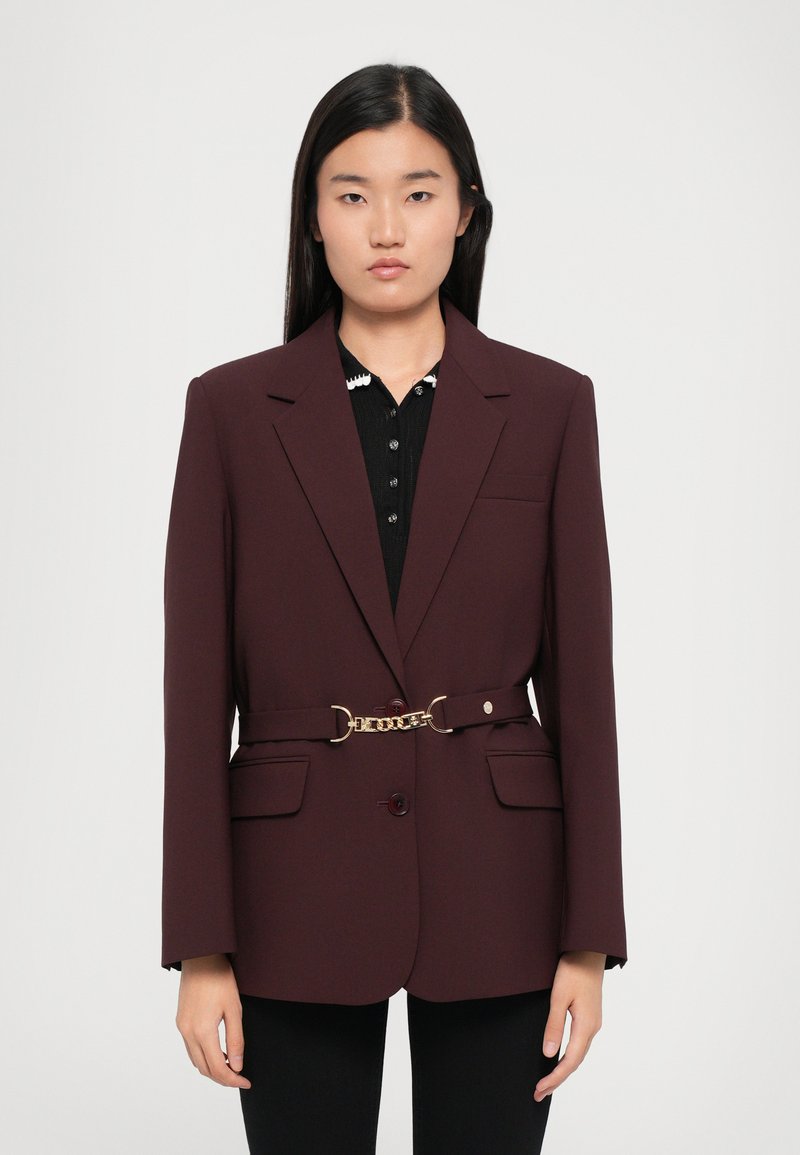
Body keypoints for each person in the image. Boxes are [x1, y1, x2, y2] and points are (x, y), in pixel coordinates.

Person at [161, 62, 628, 1154]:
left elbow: (585, 689)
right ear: (311, 215)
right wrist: (200, 945)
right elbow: (194, 695)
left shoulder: (550, 406)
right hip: (292, 891)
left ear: (464, 212)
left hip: (501, 885)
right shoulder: (230, 411)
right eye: (352, 193)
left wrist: (589, 936)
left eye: (418, 193)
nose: (386, 226)